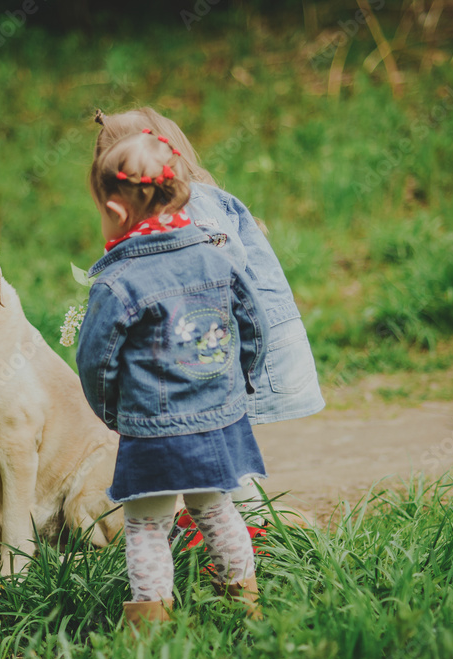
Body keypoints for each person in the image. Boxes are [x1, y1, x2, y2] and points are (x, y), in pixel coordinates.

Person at [76, 129, 269, 626]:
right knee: (220, 510)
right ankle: (246, 604)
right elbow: (254, 325)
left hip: (153, 433)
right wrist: (237, 386)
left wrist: (112, 413)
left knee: (144, 526)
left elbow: (97, 362)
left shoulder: (118, 283)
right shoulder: (215, 257)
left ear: (116, 212)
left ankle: (151, 626)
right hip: (217, 421)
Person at [93, 107, 324, 519]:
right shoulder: (174, 207)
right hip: (216, 343)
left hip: (227, 345)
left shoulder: (196, 205)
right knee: (216, 440)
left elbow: (218, 272)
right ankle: (234, 529)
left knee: (218, 438)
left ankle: (253, 525)